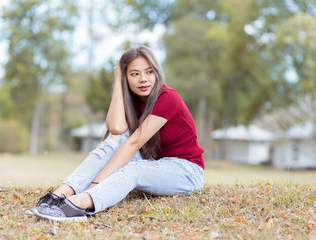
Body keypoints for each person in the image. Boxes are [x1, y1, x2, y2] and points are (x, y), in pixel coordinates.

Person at [25, 46, 205, 222]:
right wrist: (118, 82)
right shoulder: (133, 101)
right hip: (156, 164)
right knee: (114, 142)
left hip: (186, 171)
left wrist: (96, 184)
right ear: (126, 77)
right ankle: (58, 196)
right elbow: (117, 129)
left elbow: (134, 144)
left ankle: (80, 204)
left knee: (134, 167)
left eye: (149, 72)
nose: (143, 79)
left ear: (156, 73)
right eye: (134, 74)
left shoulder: (167, 97)